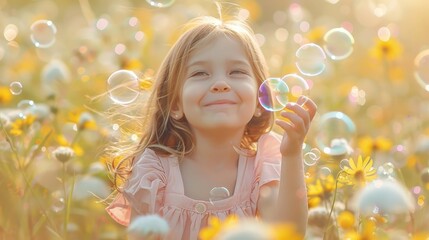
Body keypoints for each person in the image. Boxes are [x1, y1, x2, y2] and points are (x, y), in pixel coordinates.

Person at [105, 12, 317, 240]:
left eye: (237, 72)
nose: (220, 84)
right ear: (176, 103)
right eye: (200, 73)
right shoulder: (155, 172)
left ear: (259, 99)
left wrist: (292, 155)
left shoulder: (261, 167)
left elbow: (290, 234)